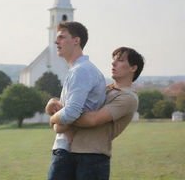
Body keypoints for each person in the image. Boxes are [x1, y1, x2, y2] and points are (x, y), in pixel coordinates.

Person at [47, 46, 144, 180]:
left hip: (93, 159)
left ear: (133, 68)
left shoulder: (128, 97)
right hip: (69, 152)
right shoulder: (105, 88)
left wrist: (57, 118)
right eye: (114, 60)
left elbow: (91, 119)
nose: (113, 63)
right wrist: (53, 104)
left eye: (120, 60)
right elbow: (72, 107)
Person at [46, 21, 106, 180]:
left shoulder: (81, 71)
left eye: (61, 37)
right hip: (72, 150)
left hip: (69, 152)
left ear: (76, 40)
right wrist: (53, 103)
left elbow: (71, 113)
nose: (56, 41)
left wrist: (53, 120)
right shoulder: (79, 70)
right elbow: (70, 111)